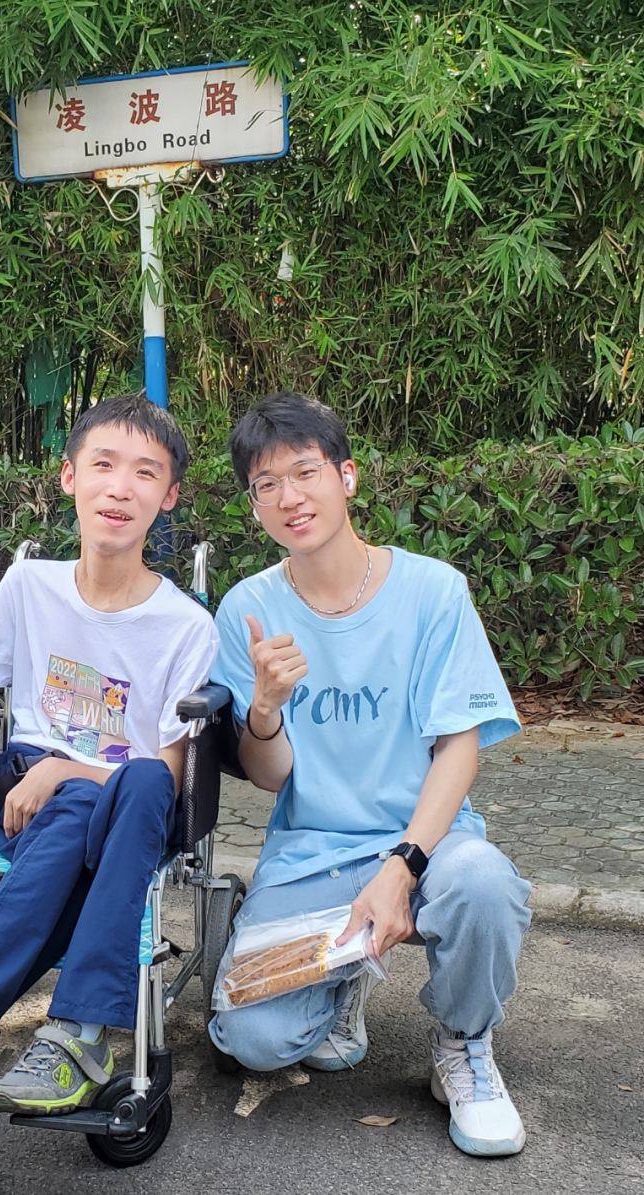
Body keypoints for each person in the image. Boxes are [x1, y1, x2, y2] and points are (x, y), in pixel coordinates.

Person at [208, 392, 532, 1158]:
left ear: (346, 475)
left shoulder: (432, 591)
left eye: (305, 471)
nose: (290, 496)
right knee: (250, 1038)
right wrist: (264, 709)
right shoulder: (248, 608)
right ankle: (344, 978)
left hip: (428, 843)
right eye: (266, 484)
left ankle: (463, 1043)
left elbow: (459, 750)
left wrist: (403, 863)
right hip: (311, 850)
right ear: (253, 505)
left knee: (484, 883)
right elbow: (268, 776)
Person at [0, 394, 218, 1116]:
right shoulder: (31, 586)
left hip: (122, 803)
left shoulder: (185, 625)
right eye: (103, 465)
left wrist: (67, 769)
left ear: (169, 496)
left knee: (121, 787)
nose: (120, 488)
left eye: (145, 472)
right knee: (79, 806)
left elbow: (169, 772)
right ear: (70, 477)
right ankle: (76, 1035)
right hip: (23, 790)